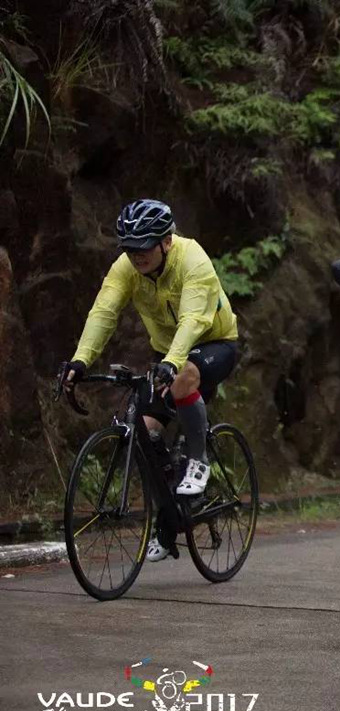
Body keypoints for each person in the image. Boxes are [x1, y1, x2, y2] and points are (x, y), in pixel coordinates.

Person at [60, 199, 240, 561]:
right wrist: (81, 360)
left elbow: (193, 320)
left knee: (184, 377)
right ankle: (169, 518)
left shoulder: (194, 260)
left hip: (213, 343)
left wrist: (173, 362)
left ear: (166, 242)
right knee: (144, 432)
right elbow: (104, 312)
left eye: (144, 247)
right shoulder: (126, 268)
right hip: (168, 353)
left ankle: (199, 460)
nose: (136, 256)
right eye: (129, 248)